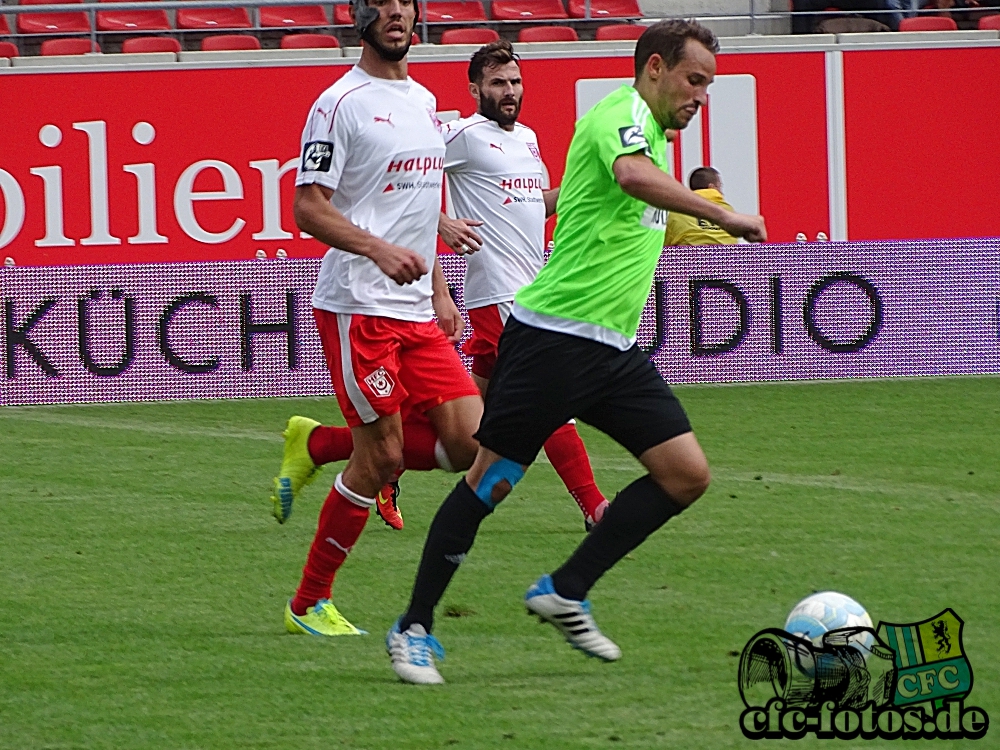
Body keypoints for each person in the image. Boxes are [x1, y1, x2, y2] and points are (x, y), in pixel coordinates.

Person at [386, 19, 767, 684]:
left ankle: (566, 588)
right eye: (693, 79)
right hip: (553, 340)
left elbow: (604, 192)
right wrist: (723, 215)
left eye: (708, 84)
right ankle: (413, 628)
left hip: (614, 350)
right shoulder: (618, 116)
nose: (700, 94)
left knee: (686, 475)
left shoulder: (648, 135)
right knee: (491, 482)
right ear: (654, 68)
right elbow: (630, 176)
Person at [274, 0, 483, 637]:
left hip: (417, 309)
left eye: (407, 4)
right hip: (357, 306)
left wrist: (442, 291)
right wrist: (376, 248)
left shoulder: (424, 101)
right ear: (359, 16)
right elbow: (307, 207)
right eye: (383, 3)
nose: (396, 12)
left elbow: (417, 209)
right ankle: (308, 603)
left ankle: (318, 443)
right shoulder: (338, 103)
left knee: (470, 446)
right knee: (383, 457)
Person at [436, 40, 609, 530]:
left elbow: (533, 205)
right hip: (499, 292)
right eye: (497, 83)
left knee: (467, 432)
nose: (509, 91)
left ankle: (371, 457)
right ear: (474, 89)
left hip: (533, 288)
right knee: (551, 395)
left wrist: (585, 189)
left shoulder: (529, 137)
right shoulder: (464, 134)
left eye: (514, 81)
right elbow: (397, 175)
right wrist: (442, 220)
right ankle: (596, 507)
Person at [664, 166, 739, 246]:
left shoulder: (676, 211)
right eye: (719, 187)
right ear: (711, 187)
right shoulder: (728, 211)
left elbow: (663, 243)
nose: (721, 192)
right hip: (724, 257)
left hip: (688, 257)